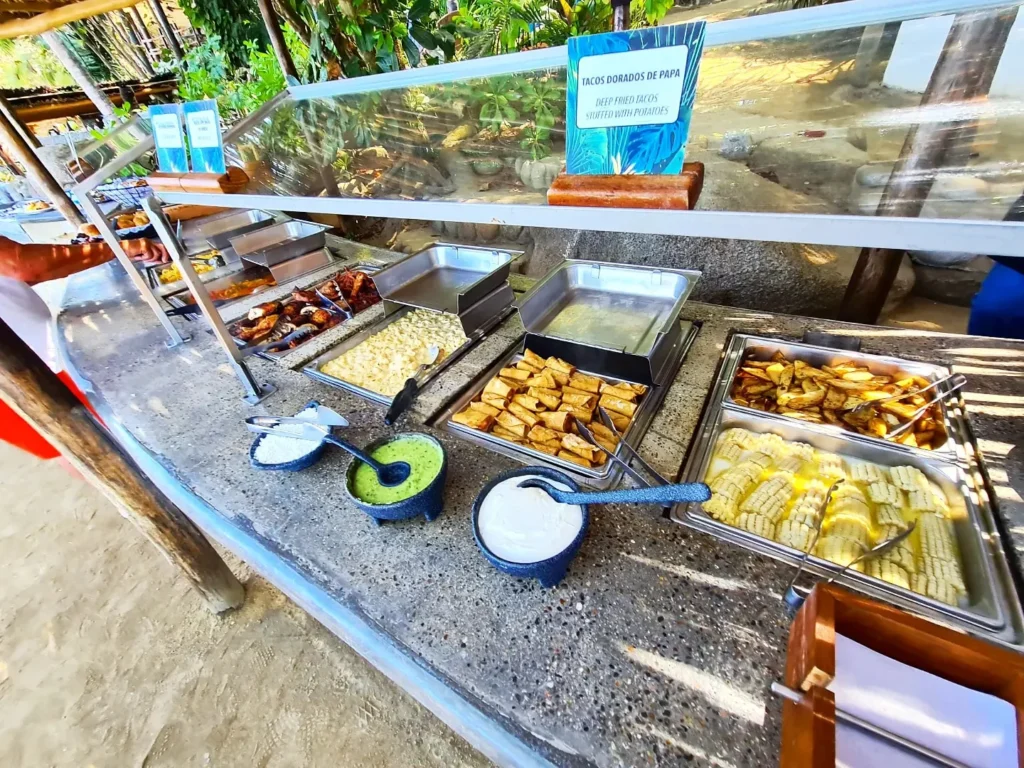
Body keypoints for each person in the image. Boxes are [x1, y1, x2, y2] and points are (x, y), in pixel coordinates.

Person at [0, 230, 169, 459]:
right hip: (32, 366)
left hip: (19, 377)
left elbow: (17, 275)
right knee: (108, 441)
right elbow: (21, 265)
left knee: (78, 449)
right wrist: (119, 248)